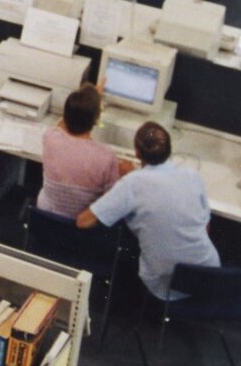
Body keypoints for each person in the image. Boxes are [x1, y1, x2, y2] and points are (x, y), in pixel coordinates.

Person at [76, 121, 220, 301]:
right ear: (169, 150)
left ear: (136, 152)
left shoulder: (132, 184)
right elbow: (205, 228)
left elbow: (84, 221)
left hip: (164, 284)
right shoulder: (192, 176)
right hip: (210, 276)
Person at [37, 83, 132, 220]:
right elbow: (113, 202)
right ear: (95, 121)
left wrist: (86, 101)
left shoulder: (50, 137)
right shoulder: (106, 157)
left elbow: (62, 124)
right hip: (81, 228)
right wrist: (126, 176)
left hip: (46, 221)